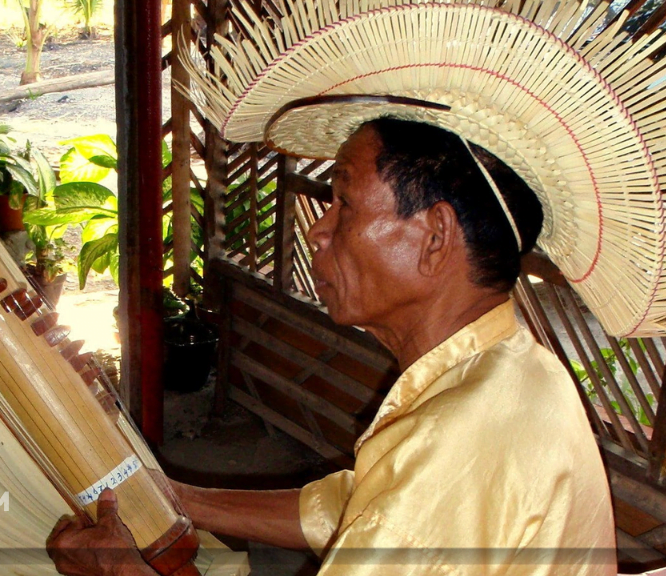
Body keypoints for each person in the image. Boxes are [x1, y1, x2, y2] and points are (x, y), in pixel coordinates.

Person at [45, 117, 617, 576]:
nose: (319, 230)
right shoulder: (515, 366)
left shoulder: (457, 439)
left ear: (436, 238)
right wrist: (171, 497)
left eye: (344, 202)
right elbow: (356, 507)